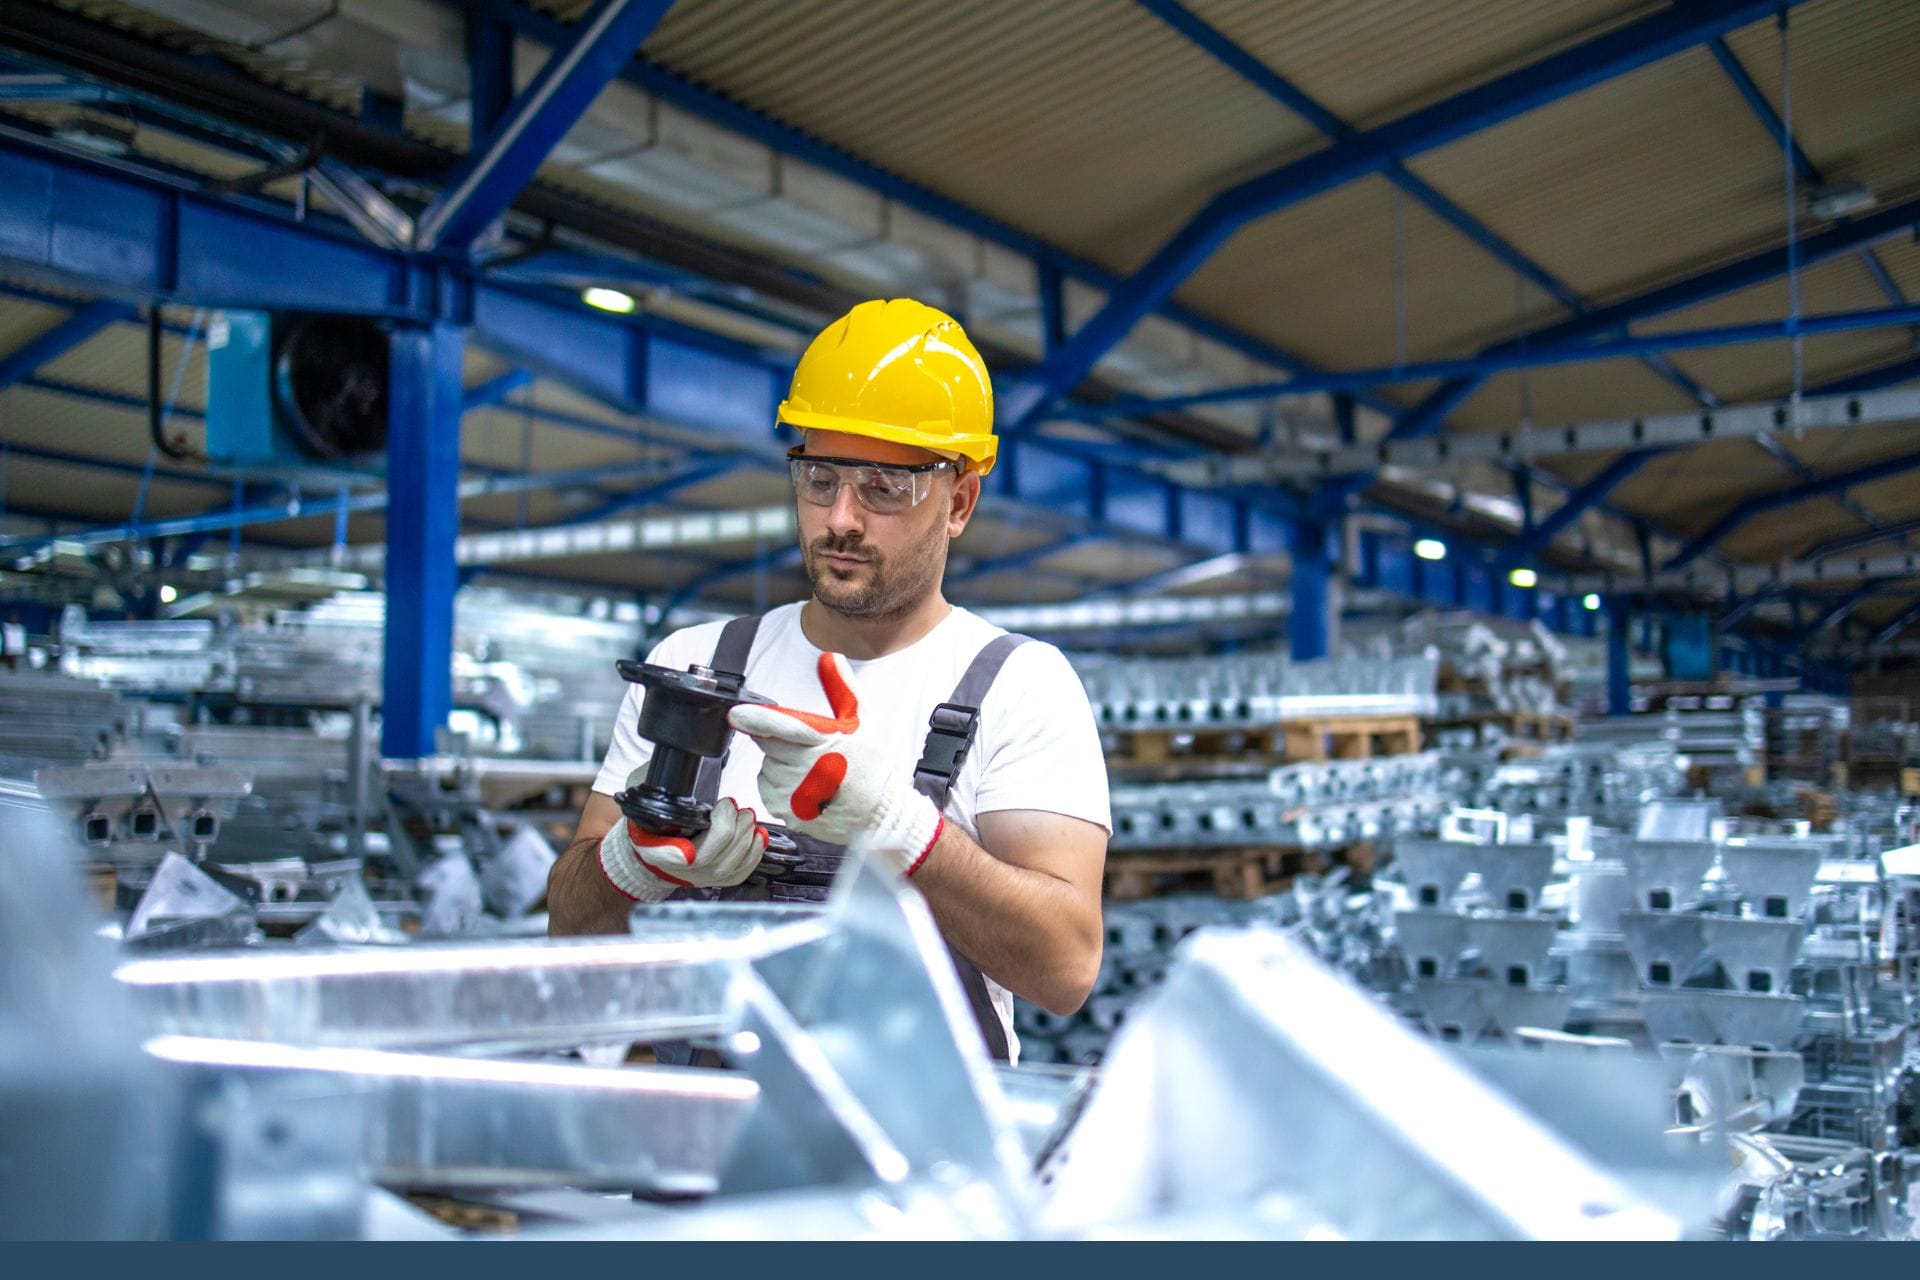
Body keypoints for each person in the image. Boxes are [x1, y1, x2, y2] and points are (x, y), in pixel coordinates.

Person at [547, 298, 1112, 1060]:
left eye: (884, 487)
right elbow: (572, 930)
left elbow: (1065, 969)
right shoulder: (699, 666)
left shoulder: (1019, 686)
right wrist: (632, 863)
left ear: (961, 501)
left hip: (920, 1162)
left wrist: (902, 830)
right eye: (820, 477)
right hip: (696, 1141)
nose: (840, 517)